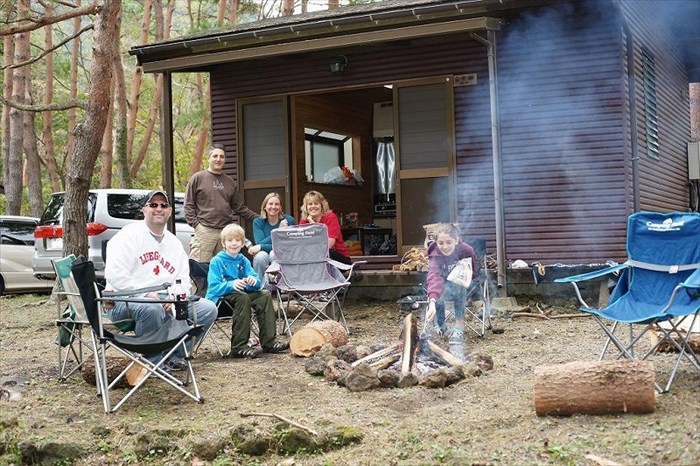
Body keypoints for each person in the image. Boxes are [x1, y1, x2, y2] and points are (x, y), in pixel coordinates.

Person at [104, 190, 218, 371]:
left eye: (163, 205)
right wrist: (145, 293)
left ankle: (174, 355)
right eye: (153, 205)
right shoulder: (128, 236)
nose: (159, 209)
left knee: (207, 309)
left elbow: (183, 279)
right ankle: (153, 362)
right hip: (124, 298)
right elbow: (115, 275)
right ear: (144, 210)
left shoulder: (174, 243)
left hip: (166, 296)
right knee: (152, 308)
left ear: (170, 211)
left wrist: (174, 297)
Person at [205, 223, 289, 358]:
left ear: (243, 243)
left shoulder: (243, 260)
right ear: (224, 243)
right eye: (230, 240)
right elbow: (214, 287)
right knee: (242, 297)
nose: (234, 243)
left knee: (264, 295)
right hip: (219, 302)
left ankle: (269, 342)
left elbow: (256, 282)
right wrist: (232, 285)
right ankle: (239, 346)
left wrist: (252, 282)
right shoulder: (217, 261)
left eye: (238, 240)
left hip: (240, 300)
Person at [184, 143, 259, 263]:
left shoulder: (230, 182)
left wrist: (260, 218)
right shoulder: (198, 178)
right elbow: (188, 205)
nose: (218, 159)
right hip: (205, 230)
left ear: (225, 160)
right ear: (209, 158)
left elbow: (239, 208)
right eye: (215, 156)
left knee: (224, 268)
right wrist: (197, 226)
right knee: (200, 267)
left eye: (221, 156)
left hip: (225, 232)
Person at [424, 223, 479, 344]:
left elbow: (474, 272)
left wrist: (463, 274)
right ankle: (441, 326)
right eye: (441, 243)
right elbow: (434, 276)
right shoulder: (435, 254)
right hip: (444, 285)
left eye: (449, 242)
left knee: (457, 283)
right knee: (438, 288)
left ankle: (459, 327)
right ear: (436, 242)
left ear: (456, 240)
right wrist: (432, 302)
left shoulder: (466, 250)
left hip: (465, 285)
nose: (445, 247)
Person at [247, 192, 296, 281]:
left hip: (284, 252)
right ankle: (261, 287)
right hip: (265, 253)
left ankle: (280, 286)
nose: (273, 207)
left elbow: (288, 245)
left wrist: (261, 247)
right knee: (260, 256)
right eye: (270, 204)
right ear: (264, 206)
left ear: (280, 207)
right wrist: (278, 232)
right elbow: (260, 242)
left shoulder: (288, 220)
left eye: (277, 204)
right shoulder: (258, 222)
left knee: (274, 254)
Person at [298, 190, 351, 264]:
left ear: (322, 205)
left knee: (322, 252)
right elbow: (301, 243)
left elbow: (328, 245)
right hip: (315, 258)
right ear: (306, 207)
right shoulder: (304, 221)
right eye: (310, 204)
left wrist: (314, 225)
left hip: (337, 257)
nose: (313, 206)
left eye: (316, 203)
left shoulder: (330, 217)